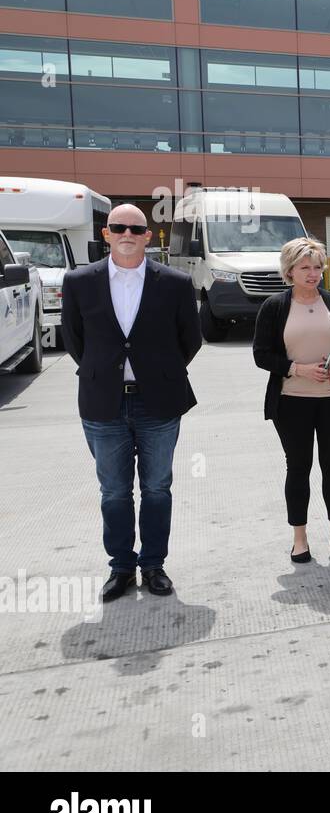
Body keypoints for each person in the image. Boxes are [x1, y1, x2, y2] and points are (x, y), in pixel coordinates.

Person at [61, 203, 202, 601]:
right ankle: (121, 566)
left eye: (135, 228)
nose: (126, 233)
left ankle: (154, 564)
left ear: (147, 236)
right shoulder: (78, 281)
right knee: (114, 492)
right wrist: (103, 370)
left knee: (158, 487)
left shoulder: (174, 283)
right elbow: (75, 341)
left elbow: (189, 340)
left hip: (157, 402)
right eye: (117, 227)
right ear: (106, 234)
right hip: (103, 403)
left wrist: (157, 371)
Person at [253, 237, 330, 563]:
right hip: (291, 401)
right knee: (298, 467)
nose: (313, 273)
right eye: (305, 267)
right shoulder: (274, 307)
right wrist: (297, 369)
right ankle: (299, 539)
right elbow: (262, 355)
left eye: (317, 267)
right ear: (290, 270)